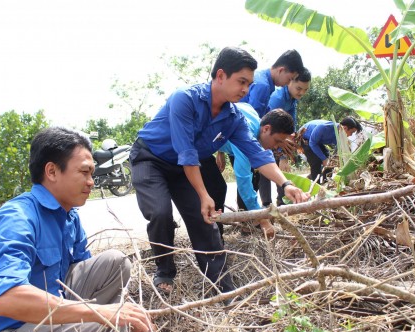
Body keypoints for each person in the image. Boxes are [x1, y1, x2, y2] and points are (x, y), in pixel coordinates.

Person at [0, 127, 155, 332]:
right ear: (52, 171)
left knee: (116, 262)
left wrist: (113, 311)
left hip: (46, 324)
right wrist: (99, 314)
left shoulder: (68, 215)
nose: (91, 181)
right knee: (113, 330)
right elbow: (6, 300)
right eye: (84, 172)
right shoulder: (18, 218)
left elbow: (84, 278)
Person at [129, 46, 310, 295]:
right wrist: (204, 195)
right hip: (150, 158)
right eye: (242, 82)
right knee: (160, 212)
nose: (246, 89)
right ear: (221, 75)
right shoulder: (185, 99)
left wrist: (285, 184)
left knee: (206, 219)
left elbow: (256, 153)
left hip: (183, 167)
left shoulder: (233, 117)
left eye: (248, 83)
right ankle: (164, 271)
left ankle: (223, 285)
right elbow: (188, 153)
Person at [217, 104, 296, 238]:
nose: (276, 146)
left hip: (218, 142)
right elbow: (243, 181)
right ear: (266, 129)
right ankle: (215, 240)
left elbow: (266, 159)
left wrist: (286, 184)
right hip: (195, 145)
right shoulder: (245, 138)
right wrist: (263, 219)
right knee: (216, 190)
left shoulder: (253, 114)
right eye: (277, 141)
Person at [239, 49, 304, 208]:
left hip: (249, 135)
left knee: (251, 174)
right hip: (245, 137)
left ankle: (249, 215)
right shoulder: (262, 85)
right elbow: (255, 119)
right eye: (289, 79)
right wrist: (280, 144)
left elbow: (265, 117)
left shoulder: (267, 85)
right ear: (281, 70)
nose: (288, 83)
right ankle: (249, 215)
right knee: (248, 176)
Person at [265, 67, 311, 205]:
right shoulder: (277, 99)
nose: (302, 92)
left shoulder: (292, 100)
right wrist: (282, 154)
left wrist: (287, 151)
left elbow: (291, 128)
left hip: (279, 143)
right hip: (268, 141)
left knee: (280, 172)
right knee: (264, 173)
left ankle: (281, 202)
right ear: (290, 82)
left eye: (305, 90)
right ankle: (266, 206)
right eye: (299, 88)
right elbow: (269, 128)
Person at [300, 117, 363, 183]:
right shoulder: (324, 127)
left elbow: (338, 150)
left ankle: (325, 182)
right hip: (305, 139)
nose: (350, 135)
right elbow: (312, 143)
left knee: (330, 162)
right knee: (316, 161)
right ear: (345, 128)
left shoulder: (340, 134)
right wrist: (324, 159)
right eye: (351, 132)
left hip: (317, 141)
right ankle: (316, 184)